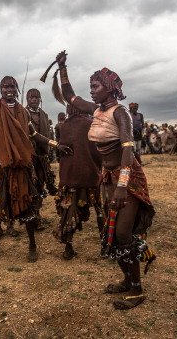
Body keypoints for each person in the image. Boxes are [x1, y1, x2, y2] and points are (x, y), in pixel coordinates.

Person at [55, 50, 155, 309]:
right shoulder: (97, 110)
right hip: (109, 179)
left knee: (122, 233)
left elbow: (128, 150)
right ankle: (127, 281)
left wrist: (122, 186)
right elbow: (69, 96)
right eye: (90, 86)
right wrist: (63, 68)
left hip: (127, 179)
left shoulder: (120, 114)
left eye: (95, 86)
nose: (91, 90)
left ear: (109, 88)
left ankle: (136, 290)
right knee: (115, 234)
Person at [0, 76, 70, 263]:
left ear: (17, 89)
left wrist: (55, 144)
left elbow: (34, 135)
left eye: (12, 86)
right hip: (0, 166)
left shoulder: (23, 112)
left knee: (26, 203)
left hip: (21, 166)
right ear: (0, 88)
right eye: (5, 86)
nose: (9, 89)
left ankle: (32, 245)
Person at [53, 103, 103, 259]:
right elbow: (98, 150)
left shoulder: (64, 126)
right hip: (90, 175)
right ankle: (105, 246)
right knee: (99, 210)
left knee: (69, 211)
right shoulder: (91, 123)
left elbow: (62, 152)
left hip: (70, 177)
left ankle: (68, 248)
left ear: (69, 110)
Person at [25, 89, 58, 224]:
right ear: (27, 99)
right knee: (30, 185)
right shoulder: (23, 113)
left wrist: (49, 149)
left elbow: (48, 135)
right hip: (29, 156)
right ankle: (31, 215)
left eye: (37, 97)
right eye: (32, 98)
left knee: (40, 183)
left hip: (42, 155)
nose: (35, 100)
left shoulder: (44, 115)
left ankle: (37, 213)